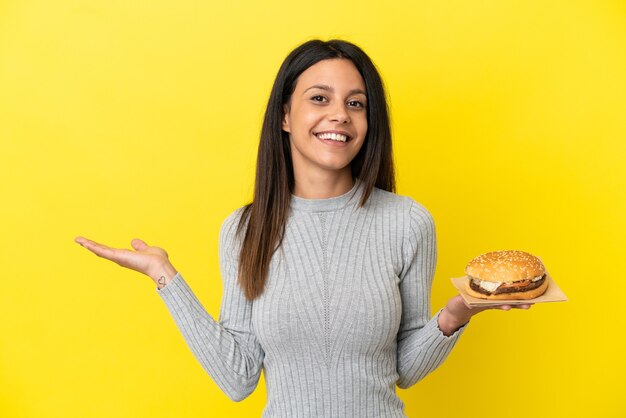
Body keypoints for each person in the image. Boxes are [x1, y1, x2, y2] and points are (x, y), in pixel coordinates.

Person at [75, 39, 531, 417]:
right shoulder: (244, 229)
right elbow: (238, 378)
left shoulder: (407, 222)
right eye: (320, 98)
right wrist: (164, 276)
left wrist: (454, 316)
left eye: (356, 103)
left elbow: (404, 368)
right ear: (285, 117)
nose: (340, 115)